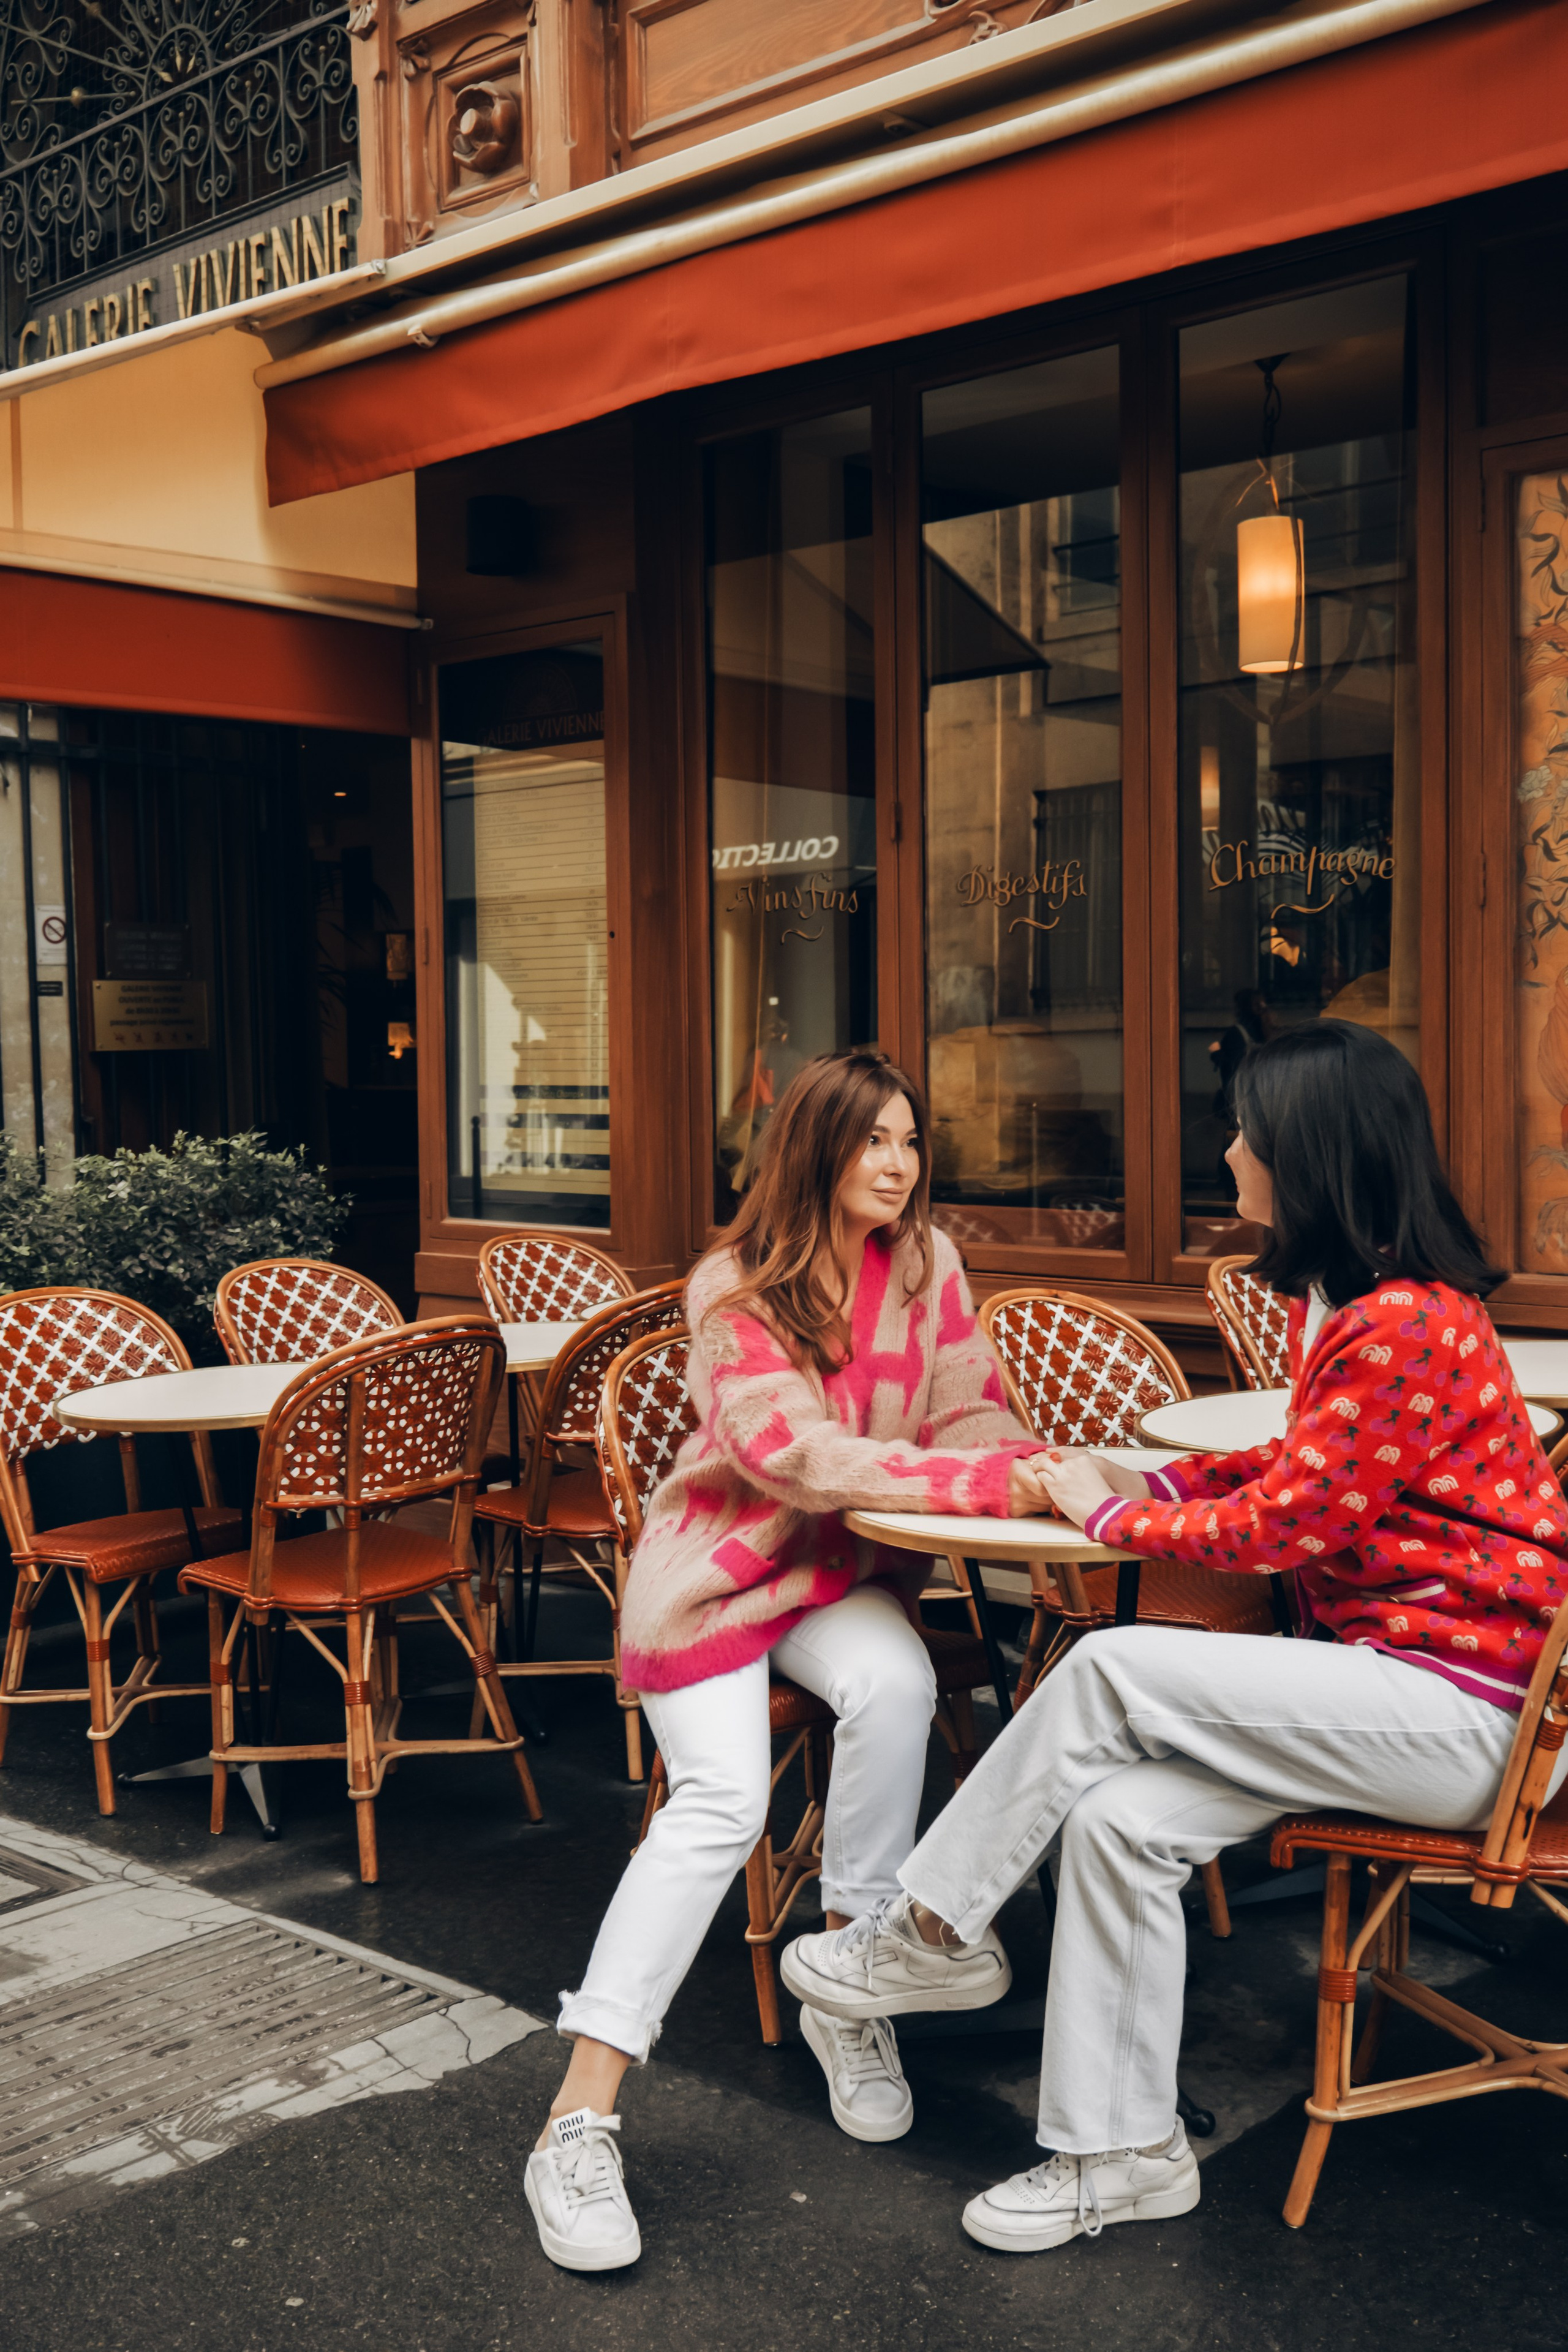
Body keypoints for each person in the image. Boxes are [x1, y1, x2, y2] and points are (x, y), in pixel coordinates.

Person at [783, 1020, 1568, 2255]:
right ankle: (1121, 2154)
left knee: (1102, 1668)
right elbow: (1287, 1464)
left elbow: (1282, 1522)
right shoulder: (1379, 1309)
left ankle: (928, 1932)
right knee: (1119, 1822)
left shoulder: (1401, 1322)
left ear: (1306, 1152)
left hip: (1474, 1719)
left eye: (1247, 1128)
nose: (1232, 1147)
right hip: (1408, 1691)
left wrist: (1105, 1508)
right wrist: (1146, 1483)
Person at [526, 1049, 1062, 2273]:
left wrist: (1022, 1461)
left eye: (910, 1140)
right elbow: (799, 1458)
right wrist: (988, 1481)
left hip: (838, 1573)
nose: (897, 1162)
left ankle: (849, 1981)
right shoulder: (735, 1289)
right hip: (720, 1564)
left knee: (900, 1684)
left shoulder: (929, 1266)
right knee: (720, 1800)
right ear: (813, 1150)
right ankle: (575, 2120)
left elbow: (969, 1413)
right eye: (872, 1139)